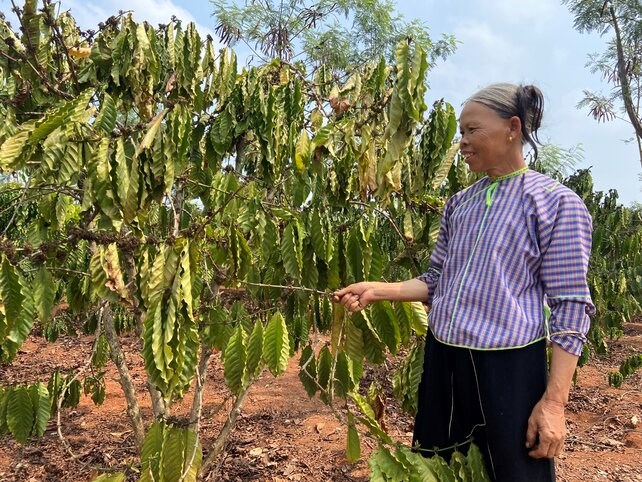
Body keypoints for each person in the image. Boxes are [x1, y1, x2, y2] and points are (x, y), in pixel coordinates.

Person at [333, 83, 595, 482]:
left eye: (472, 130)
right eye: (461, 131)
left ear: (512, 128)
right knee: (436, 468)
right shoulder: (460, 203)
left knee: (512, 472)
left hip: (507, 366)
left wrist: (555, 402)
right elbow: (439, 280)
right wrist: (379, 289)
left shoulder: (556, 203)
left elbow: (571, 305)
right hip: (444, 359)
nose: (463, 142)